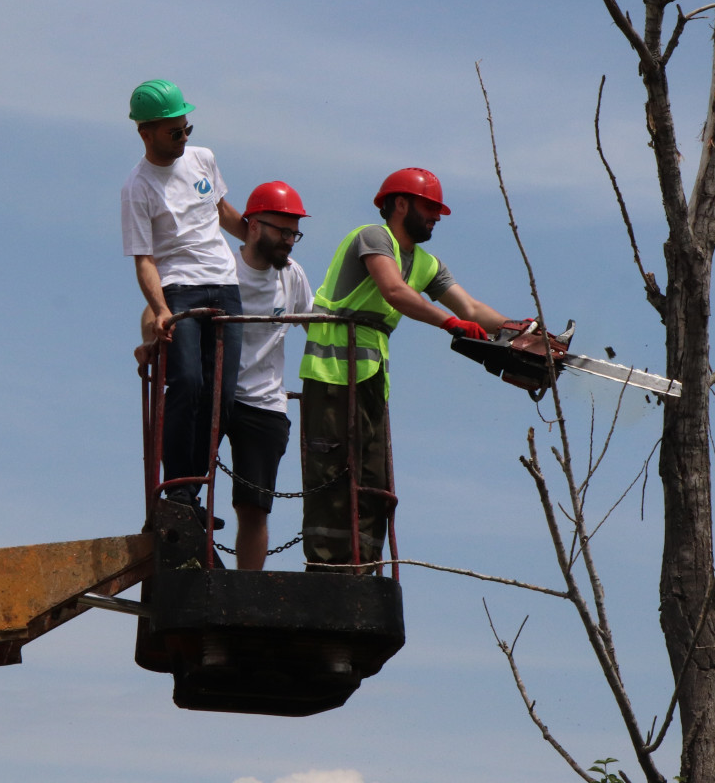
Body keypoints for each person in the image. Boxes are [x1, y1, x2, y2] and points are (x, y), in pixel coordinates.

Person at [298, 167, 509, 572]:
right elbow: (393, 291)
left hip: (371, 377)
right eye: (429, 207)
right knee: (332, 474)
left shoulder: (427, 263)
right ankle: (326, 571)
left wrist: (524, 333)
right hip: (329, 373)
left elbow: (471, 309)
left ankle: (364, 569)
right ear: (400, 204)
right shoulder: (374, 238)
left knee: (373, 481)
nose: (436, 217)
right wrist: (447, 323)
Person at [135, 180, 314, 569]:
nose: (289, 240)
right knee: (188, 491)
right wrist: (152, 334)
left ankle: (245, 593)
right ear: (251, 226)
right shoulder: (219, 267)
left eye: (294, 232)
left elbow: (317, 329)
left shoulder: (292, 276)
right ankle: (188, 567)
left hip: (264, 403)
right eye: (281, 230)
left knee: (253, 509)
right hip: (212, 394)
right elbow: (157, 308)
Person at [121, 80, 246, 521]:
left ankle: (192, 490)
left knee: (222, 397)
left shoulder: (202, 159)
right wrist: (160, 311)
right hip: (179, 288)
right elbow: (145, 260)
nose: (184, 138)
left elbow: (222, 212)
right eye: (175, 132)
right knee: (188, 383)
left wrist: (259, 238)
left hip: (225, 285)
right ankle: (176, 492)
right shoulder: (137, 188)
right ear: (146, 133)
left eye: (186, 128)